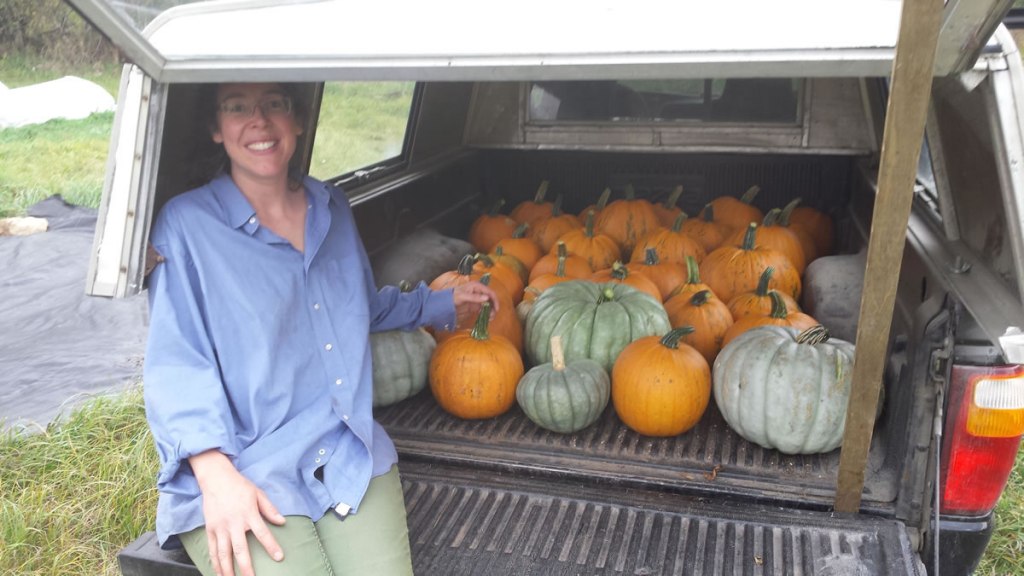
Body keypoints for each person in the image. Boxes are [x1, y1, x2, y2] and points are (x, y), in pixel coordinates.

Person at [143, 82, 498, 576]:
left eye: (274, 105)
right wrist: (215, 475)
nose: (259, 121)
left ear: (298, 119)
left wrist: (437, 303)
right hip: (242, 463)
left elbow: (349, 305)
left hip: (344, 447)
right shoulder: (186, 226)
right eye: (238, 107)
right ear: (215, 127)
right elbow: (176, 363)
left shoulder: (331, 207)